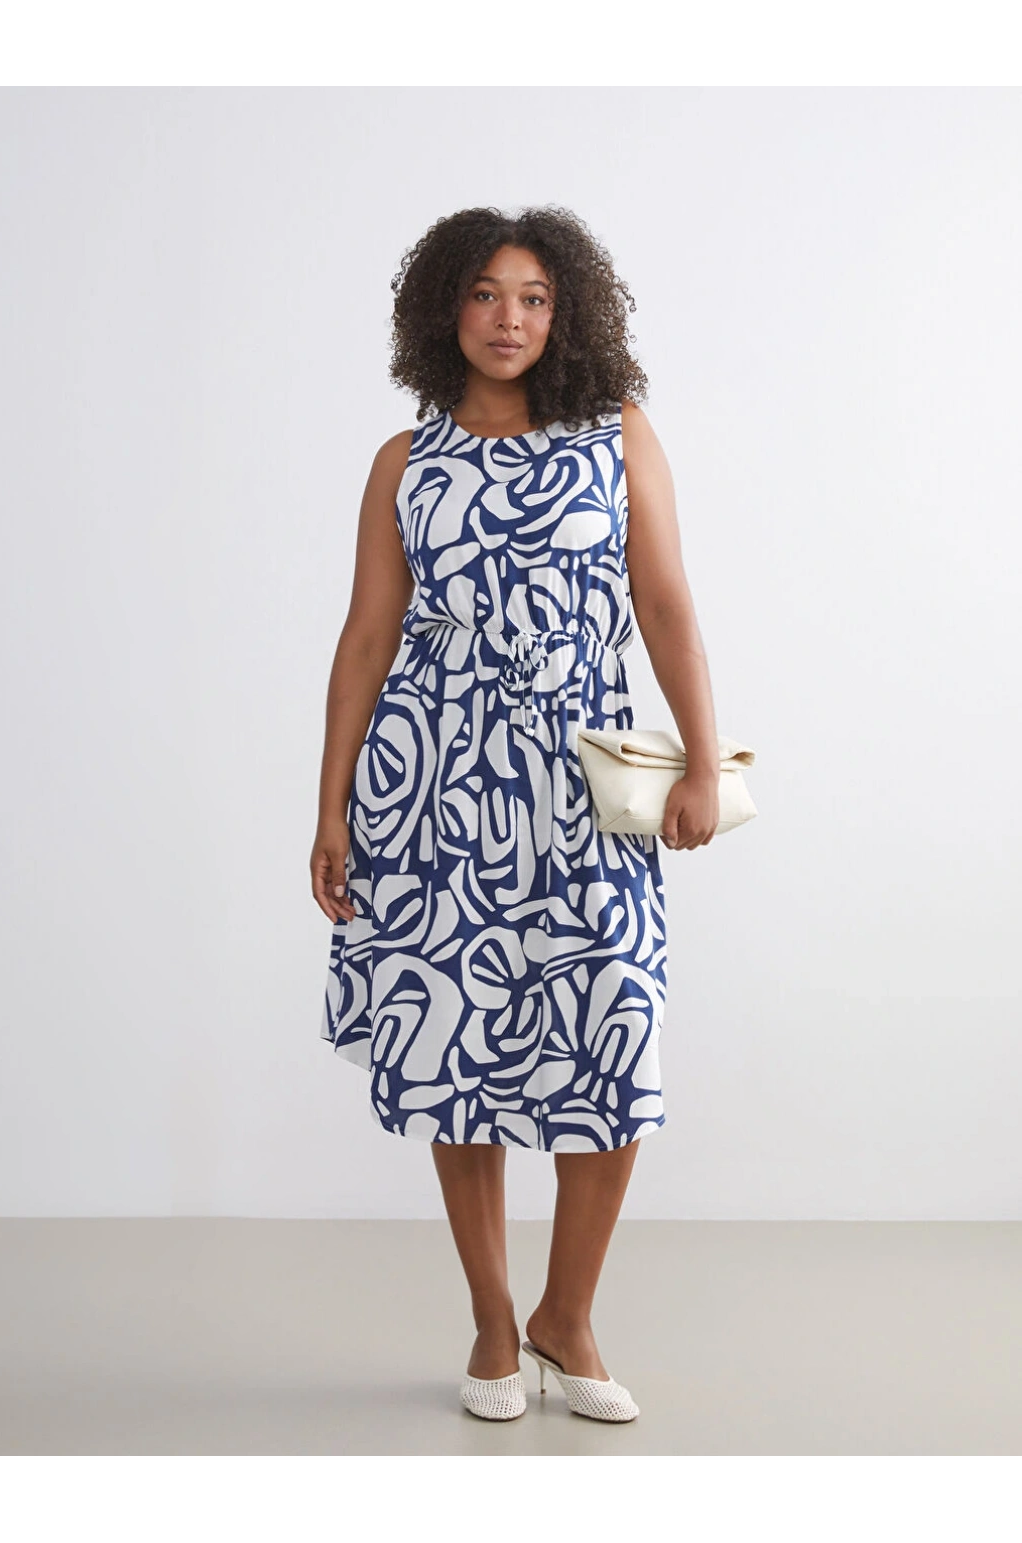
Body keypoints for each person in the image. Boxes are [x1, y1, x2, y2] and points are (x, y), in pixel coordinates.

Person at [311, 206, 720, 1424]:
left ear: (565, 312)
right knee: (459, 1043)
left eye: (534, 297)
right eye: (485, 294)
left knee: (614, 1021)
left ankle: (566, 1314)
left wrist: (702, 759)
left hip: (587, 776)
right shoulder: (405, 460)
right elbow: (367, 638)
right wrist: (331, 809)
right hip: (431, 778)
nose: (509, 318)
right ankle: (494, 1319)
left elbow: (665, 602)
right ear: (443, 308)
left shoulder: (615, 433)